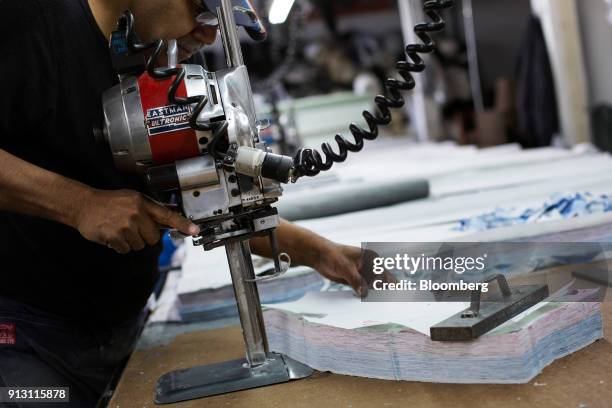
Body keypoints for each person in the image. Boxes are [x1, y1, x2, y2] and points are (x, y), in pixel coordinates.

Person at [0, 0, 365, 405]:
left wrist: (320, 252)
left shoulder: (151, 56)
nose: (208, 33)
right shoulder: (27, 20)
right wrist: (80, 204)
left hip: (119, 332)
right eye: (199, 9)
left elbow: (208, 201)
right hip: (22, 336)